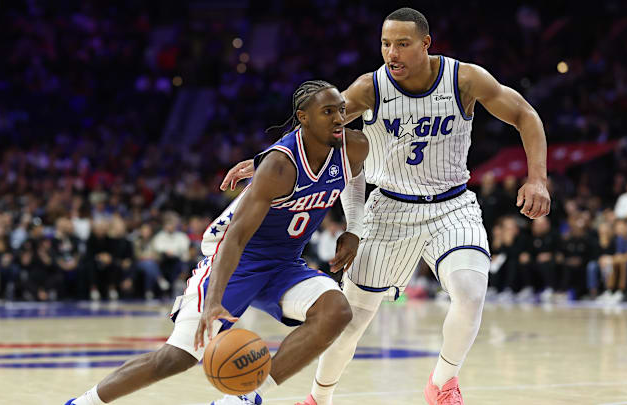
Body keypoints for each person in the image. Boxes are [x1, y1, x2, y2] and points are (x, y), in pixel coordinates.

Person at [221, 8, 550, 405]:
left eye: (402, 44)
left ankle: (442, 383)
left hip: (452, 206)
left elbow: (525, 115)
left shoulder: (463, 78)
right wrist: (263, 160)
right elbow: (315, 128)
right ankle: (318, 398)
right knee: (353, 320)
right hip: (389, 209)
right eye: (385, 44)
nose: (391, 53)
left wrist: (537, 179)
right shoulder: (368, 88)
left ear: (426, 44)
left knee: (470, 292)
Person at [65, 80, 369, 405]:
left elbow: (354, 176)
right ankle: (83, 403)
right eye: (327, 112)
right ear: (303, 117)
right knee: (176, 357)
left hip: (284, 265)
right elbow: (235, 237)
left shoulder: (354, 146)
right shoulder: (279, 166)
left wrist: (354, 227)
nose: (339, 118)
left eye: (340, 110)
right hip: (237, 259)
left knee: (336, 312)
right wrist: (213, 301)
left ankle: (245, 397)